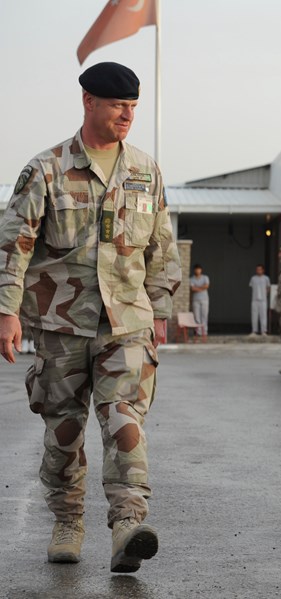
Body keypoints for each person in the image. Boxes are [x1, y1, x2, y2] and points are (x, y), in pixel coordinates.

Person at [0, 62, 181, 573]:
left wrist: (160, 309)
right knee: (64, 429)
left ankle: (128, 522)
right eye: (118, 105)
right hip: (60, 323)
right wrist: (6, 312)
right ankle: (68, 518)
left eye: (133, 107)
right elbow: (13, 245)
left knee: (125, 419)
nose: (127, 114)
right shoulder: (47, 169)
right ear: (88, 101)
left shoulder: (146, 170)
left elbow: (162, 247)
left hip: (126, 321)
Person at [189, 264, 210, 340]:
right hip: (196, 300)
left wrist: (197, 288)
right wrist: (202, 288)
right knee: (197, 317)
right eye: (196, 269)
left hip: (205, 300)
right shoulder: (191, 279)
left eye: (199, 269)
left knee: (204, 316)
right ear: (194, 270)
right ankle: (198, 332)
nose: (197, 270)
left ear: (201, 270)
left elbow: (206, 286)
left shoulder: (205, 277)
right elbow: (192, 289)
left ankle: (205, 332)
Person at [249, 264, 271, 335]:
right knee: (254, 315)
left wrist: (266, 294)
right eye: (257, 269)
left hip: (263, 300)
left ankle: (263, 331)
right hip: (255, 299)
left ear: (263, 270)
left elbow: (268, 288)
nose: (258, 271)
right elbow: (251, 286)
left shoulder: (266, 278)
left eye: (260, 269)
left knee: (263, 315)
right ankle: (254, 330)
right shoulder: (253, 278)